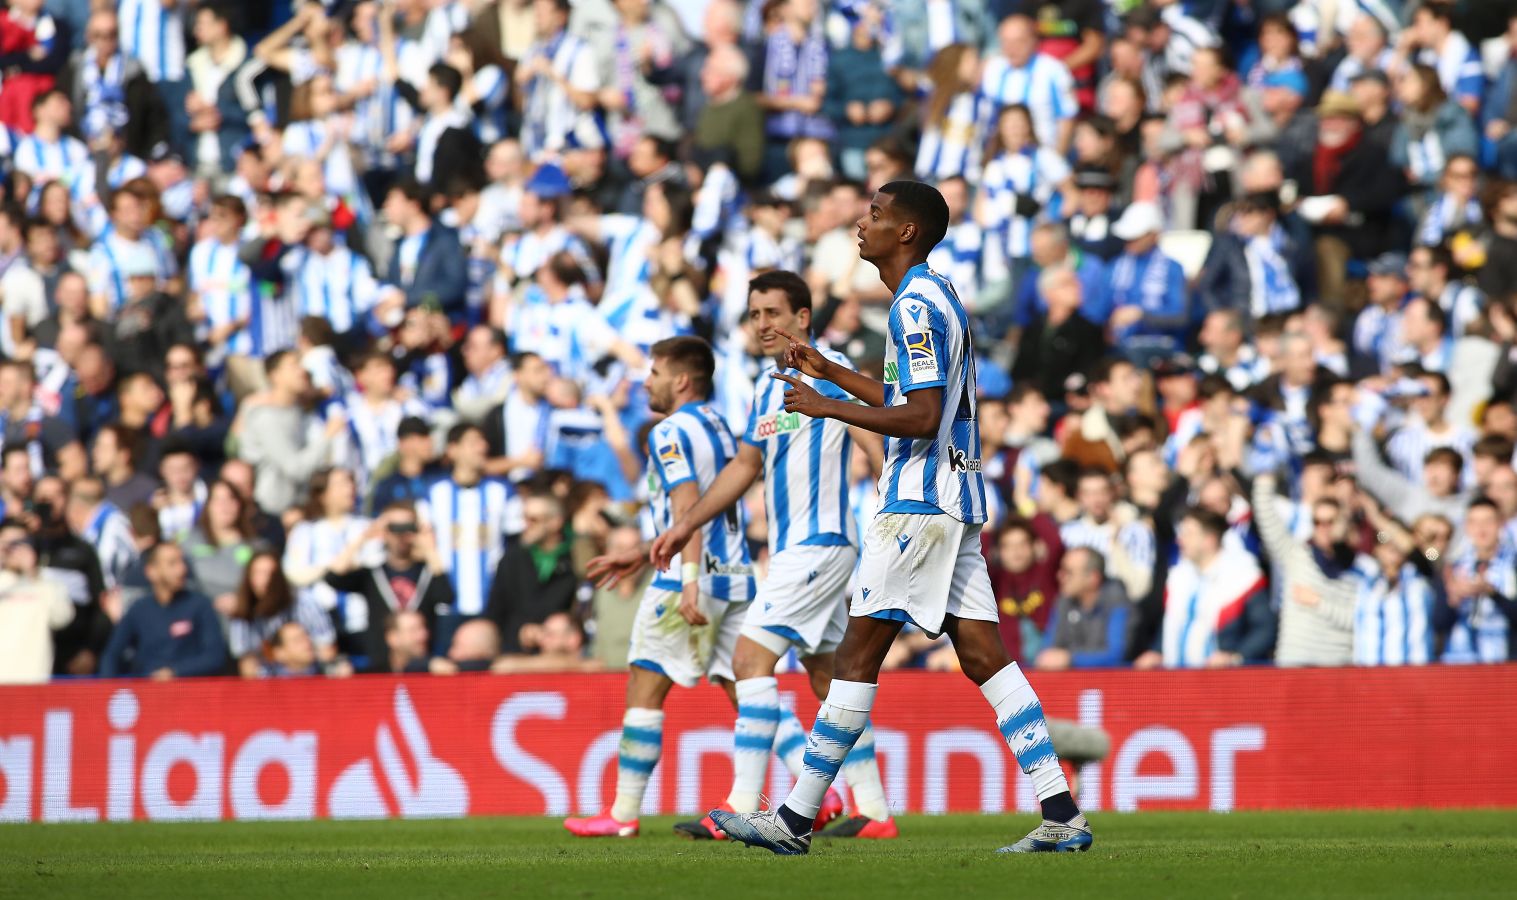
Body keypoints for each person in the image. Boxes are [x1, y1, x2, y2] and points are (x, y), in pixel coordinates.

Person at [710, 181, 1089, 854]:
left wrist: (827, 406)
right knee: (984, 657)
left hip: (917, 502)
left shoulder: (913, 305)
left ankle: (793, 820)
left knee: (855, 656)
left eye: (876, 215)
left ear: (906, 231)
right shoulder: (935, 295)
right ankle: (1062, 812)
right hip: (956, 497)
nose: (863, 223)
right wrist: (830, 372)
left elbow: (920, 416)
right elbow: (906, 396)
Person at [648, 270, 894, 841]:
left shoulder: (829, 369)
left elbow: (872, 441)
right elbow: (745, 465)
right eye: (755, 314)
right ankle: (876, 813)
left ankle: (739, 807)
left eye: (773, 313)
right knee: (830, 679)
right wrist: (687, 524)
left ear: (802, 317)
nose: (762, 324)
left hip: (819, 543)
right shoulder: (767, 386)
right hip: (797, 549)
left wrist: (894, 507)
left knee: (748, 660)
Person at [562, 336, 758, 839]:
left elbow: (687, 509)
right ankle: (822, 793)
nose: (645, 382)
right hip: (734, 575)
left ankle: (622, 814)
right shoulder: (718, 423)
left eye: (653, 373)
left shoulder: (668, 431)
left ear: (681, 380)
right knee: (750, 693)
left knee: (645, 685)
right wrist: (644, 550)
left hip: (685, 580)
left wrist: (687, 581)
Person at [420, 422, 523, 650]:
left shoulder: (502, 491)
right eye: (474, 442)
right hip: (447, 606)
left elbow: (515, 544)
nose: (482, 447)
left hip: (491, 604)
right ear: (453, 450)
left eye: (483, 442)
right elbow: (423, 543)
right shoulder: (434, 493)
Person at [1134, 507, 1274, 669]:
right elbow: (1173, 623)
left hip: (1221, 678)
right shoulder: (1179, 576)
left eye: (1188, 534)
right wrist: (1157, 651)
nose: (1180, 540)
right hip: (1177, 677)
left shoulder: (1244, 577)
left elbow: (1265, 628)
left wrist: (1237, 656)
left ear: (1210, 540)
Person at [327, 501, 454, 668]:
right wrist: (364, 537)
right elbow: (333, 578)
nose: (401, 534)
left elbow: (446, 597)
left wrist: (430, 549)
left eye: (407, 526)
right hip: (380, 665)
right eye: (394, 527)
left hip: (420, 665)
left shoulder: (427, 572)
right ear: (384, 532)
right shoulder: (372, 574)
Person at [99, 541, 227, 678]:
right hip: (148, 687)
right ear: (151, 572)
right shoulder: (140, 609)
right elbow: (112, 654)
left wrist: (175, 672)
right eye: (172, 564)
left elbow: (214, 656)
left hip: (189, 687)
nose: (182, 569)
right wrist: (108, 686)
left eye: (182, 562)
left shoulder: (200, 605)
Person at [228, 550, 338, 679]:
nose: (264, 580)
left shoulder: (304, 603)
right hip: (268, 682)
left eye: (270, 574)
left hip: (312, 676)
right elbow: (248, 666)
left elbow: (327, 651)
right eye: (257, 573)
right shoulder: (243, 613)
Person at [0, 524, 74, 684]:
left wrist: (31, 574)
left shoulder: (45, 585)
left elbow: (62, 618)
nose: (12, 550)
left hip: (34, 682)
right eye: (6, 544)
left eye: (18, 544)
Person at [1035, 546, 1130, 670]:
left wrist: (1070, 659)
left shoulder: (1117, 601)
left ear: (1093, 578)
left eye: (1068, 572)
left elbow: (1116, 655)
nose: (1059, 576)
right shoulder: (1063, 602)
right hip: (1072, 679)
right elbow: (1048, 650)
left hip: (1114, 679)